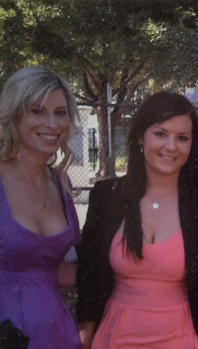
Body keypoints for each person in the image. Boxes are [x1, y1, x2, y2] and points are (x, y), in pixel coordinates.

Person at [76, 92, 198, 349]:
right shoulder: (107, 196)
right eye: (160, 133)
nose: (171, 146)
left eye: (182, 138)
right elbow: (90, 282)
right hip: (115, 337)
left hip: (180, 339)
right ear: (138, 137)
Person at [0, 66, 82, 349]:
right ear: (14, 115)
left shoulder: (61, 183)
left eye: (61, 113)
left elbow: (54, 270)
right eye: (37, 111)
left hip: (57, 333)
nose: (52, 123)